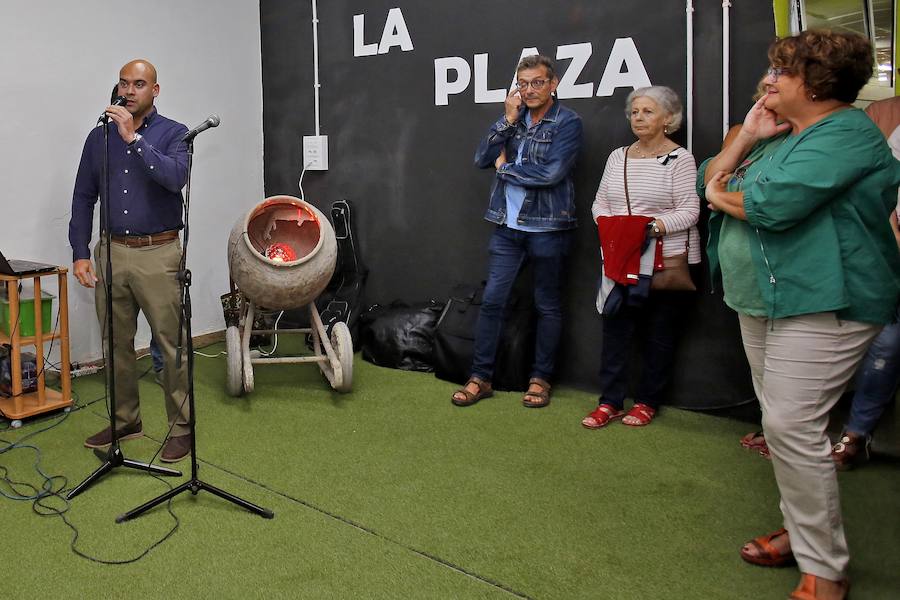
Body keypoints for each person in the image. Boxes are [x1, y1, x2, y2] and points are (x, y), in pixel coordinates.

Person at [701, 30, 900, 600]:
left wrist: (720, 189)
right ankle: (802, 533)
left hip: (826, 300)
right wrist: (739, 150)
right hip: (765, 298)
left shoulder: (847, 134)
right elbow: (707, 181)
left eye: (779, 72)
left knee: (791, 426)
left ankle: (825, 569)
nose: (768, 82)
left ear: (813, 83)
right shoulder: (783, 133)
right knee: (785, 426)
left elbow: (772, 205)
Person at [69, 59, 192, 463]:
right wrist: (81, 253)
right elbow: (84, 196)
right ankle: (126, 420)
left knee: (169, 345)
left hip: (158, 253)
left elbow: (175, 178)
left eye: (139, 84)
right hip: (111, 253)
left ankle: (181, 427)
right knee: (116, 342)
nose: (129, 91)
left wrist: (134, 139)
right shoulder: (97, 138)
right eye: (124, 83)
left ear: (155, 90)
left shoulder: (175, 134)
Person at [451, 55, 583, 408]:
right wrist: (507, 119)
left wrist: (505, 168)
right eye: (523, 84)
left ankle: (540, 380)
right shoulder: (515, 119)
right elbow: (482, 158)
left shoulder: (567, 122)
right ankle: (481, 378)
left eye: (537, 82)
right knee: (493, 302)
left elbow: (551, 174)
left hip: (548, 228)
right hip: (507, 228)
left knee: (548, 306)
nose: (529, 90)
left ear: (553, 84)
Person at [582, 86, 700, 429]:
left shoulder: (681, 159)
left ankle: (648, 401)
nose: (638, 118)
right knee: (615, 331)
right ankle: (610, 402)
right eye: (635, 112)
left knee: (659, 334)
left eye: (648, 112)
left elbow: (690, 210)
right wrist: (616, 231)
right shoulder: (617, 157)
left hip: (666, 262)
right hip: (622, 261)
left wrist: (650, 228)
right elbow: (600, 204)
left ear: (669, 118)